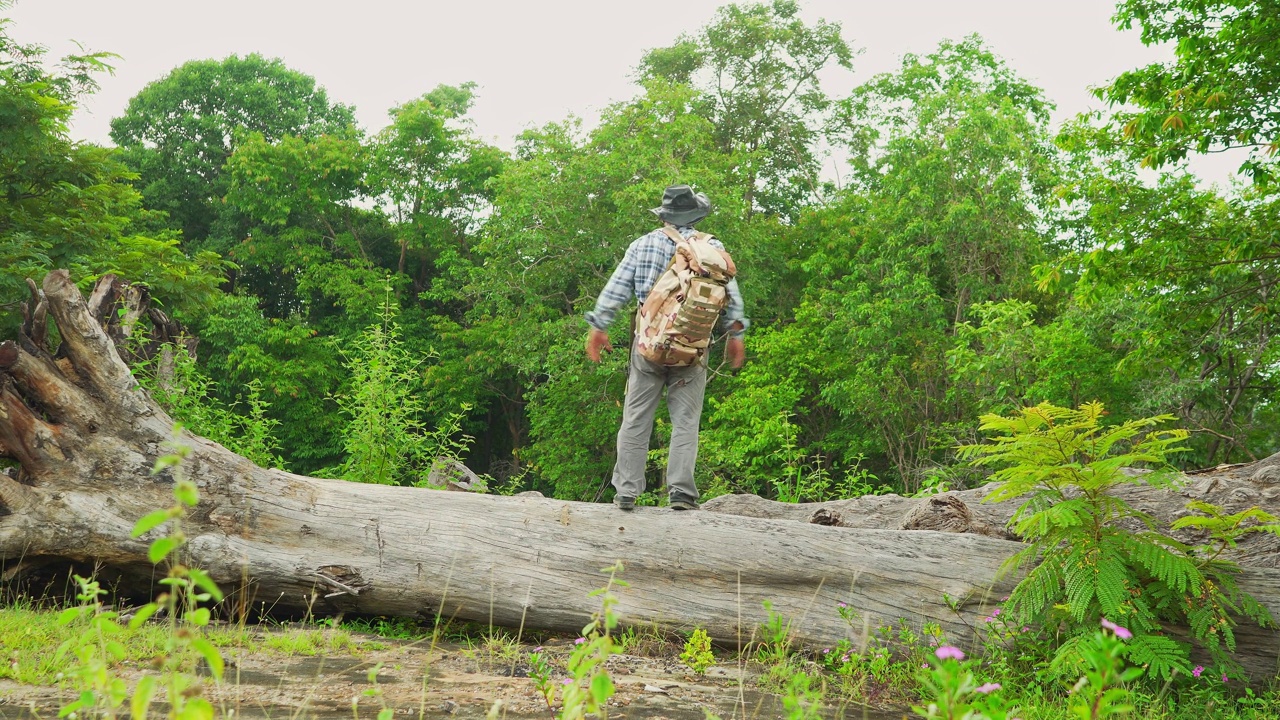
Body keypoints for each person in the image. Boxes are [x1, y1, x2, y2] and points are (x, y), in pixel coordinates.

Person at [584, 185, 748, 511]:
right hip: (692, 347)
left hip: (649, 345)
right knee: (685, 421)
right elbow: (732, 298)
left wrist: (599, 327)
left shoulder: (642, 245)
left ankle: (627, 492)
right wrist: (736, 334)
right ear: (697, 215)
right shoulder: (712, 248)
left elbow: (616, 289)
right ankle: (682, 494)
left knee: (635, 418)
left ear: (665, 215)